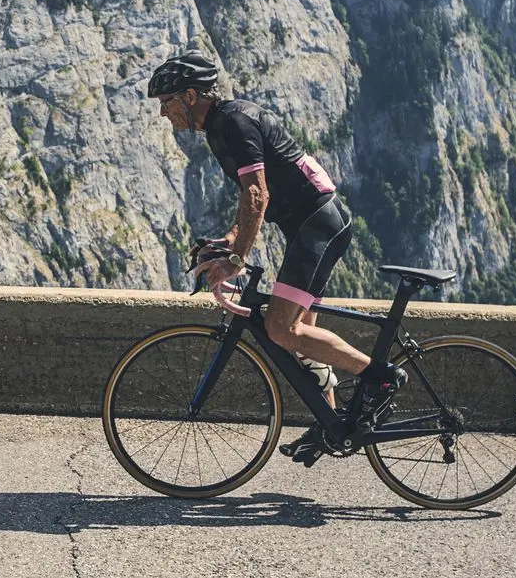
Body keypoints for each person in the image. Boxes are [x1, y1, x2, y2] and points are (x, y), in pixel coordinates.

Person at [147, 50, 408, 467]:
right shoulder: (219, 127)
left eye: (167, 102)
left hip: (318, 225)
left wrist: (236, 257)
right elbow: (247, 198)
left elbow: (258, 196)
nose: (163, 113)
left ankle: (380, 378)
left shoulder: (232, 121)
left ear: (191, 96)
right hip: (310, 225)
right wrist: (229, 239)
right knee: (298, 336)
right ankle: (332, 423)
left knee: (280, 327)